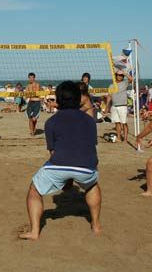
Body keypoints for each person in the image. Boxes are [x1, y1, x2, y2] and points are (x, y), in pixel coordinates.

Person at [19, 81, 101, 240]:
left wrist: (66, 177)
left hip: (60, 164)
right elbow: (90, 146)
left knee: (34, 191)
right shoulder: (90, 120)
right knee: (92, 186)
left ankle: (35, 232)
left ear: (58, 100)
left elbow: (53, 153)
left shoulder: (51, 122)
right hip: (87, 166)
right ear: (78, 99)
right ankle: (96, 226)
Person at [105, 70, 133, 143]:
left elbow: (131, 79)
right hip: (114, 106)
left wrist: (124, 73)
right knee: (117, 123)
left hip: (123, 106)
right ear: (115, 76)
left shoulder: (124, 83)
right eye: (118, 75)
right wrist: (106, 107)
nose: (119, 76)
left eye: (121, 75)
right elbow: (109, 97)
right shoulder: (111, 86)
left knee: (124, 123)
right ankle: (119, 138)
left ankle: (125, 139)